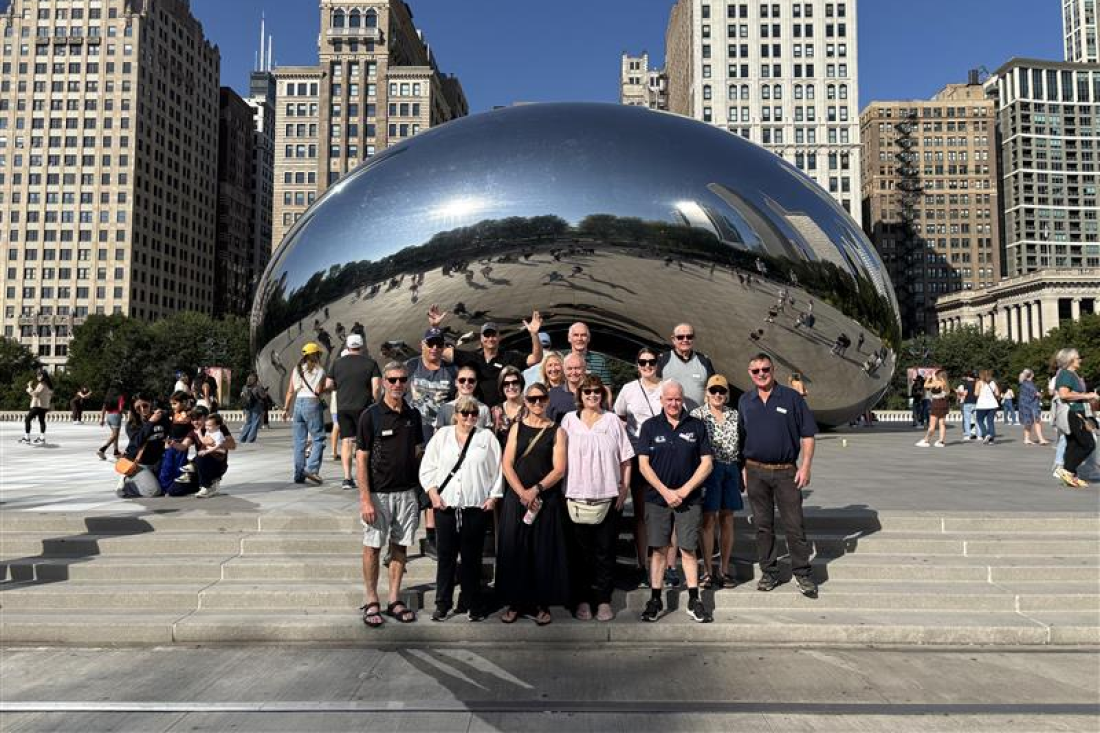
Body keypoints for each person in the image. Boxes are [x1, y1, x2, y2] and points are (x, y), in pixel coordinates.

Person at [738, 352, 818, 598]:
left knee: (795, 525)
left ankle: (802, 573)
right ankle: (769, 572)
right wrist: (742, 469)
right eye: (756, 371)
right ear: (750, 374)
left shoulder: (792, 397)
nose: (761, 374)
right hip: (755, 471)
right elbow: (740, 438)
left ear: (773, 371)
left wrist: (805, 466)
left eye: (765, 369)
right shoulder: (745, 400)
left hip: (786, 472)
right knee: (763, 526)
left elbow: (807, 435)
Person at [637, 379, 714, 624]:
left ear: (683, 400)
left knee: (688, 549)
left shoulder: (697, 426)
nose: (673, 403)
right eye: (669, 399)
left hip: (689, 499)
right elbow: (643, 464)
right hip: (657, 499)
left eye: (677, 399)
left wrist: (684, 490)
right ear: (661, 400)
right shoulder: (650, 426)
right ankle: (656, 598)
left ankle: (694, 599)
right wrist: (665, 491)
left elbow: (707, 463)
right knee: (659, 550)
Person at [420, 395, 503, 622]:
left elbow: (498, 469)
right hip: (446, 506)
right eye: (464, 413)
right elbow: (428, 467)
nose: (469, 417)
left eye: (473, 413)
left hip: (474, 506)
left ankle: (472, 602)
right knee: (446, 557)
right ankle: (442, 603)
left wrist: (493, 497)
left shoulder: (486, 437)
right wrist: (433, 493)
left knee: (471, 558)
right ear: (455, 415)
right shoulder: (442, 436)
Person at [355, 361, 425, 627]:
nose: (398, 385)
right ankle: (372, 598)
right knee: (373, 547)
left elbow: (419, 453)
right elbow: (361, 459)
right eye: (393, 380)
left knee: (400, 546)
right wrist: (365, 498)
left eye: (402, 380)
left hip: (406, 493)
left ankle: (394, 598)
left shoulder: (413, 415)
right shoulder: (370, 416)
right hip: (378, 494)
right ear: (383, 382)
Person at [561, 374, 634, 622]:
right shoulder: (569, 421)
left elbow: (626, 459)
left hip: (607, 496)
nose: (592, 395)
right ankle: (582, 599)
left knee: (605, 552)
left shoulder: (612, 420)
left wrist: (624, 488)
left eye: (596, 391)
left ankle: (603, 600)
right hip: (576, 496)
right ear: (579, 395)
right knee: (580, 554)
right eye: (587, 391)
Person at [497, 382, 570, 625]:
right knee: (515, 550)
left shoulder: (557, 430)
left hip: (544, 499)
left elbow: (559, 469)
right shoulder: (517, 428)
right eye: (532, 399)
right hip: (517, 499)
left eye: (541, 399)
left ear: (548, 400)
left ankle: (541, 603)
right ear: (525, 402)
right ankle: (515, 603)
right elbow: (506, 464)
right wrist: (522, 492)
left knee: (541, 552)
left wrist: (536, 490)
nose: (537, 403)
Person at [613, 347, 666, 583]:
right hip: (637, 454)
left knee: (666, 511)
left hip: (664, 455)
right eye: (643, 362)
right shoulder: (629, 389)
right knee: (641, 511)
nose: (647, 366)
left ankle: (668, 565)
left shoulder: (667, 386)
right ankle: (642, 563)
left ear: (657, 363)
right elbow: (619, 416)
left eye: (651, 362)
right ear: (637, 365)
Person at [431, 306, 544, 407]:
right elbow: (441, 351)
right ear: (481, 338)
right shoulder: (472, 358)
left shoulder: (509, 358)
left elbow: (536, 358)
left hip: (502, 412)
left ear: (499, 337)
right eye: (487, 335)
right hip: (476, 411)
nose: (490, 339)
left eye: (493, 335)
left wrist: (534, 335)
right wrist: (435, 328)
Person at [690, 374, 742, 590]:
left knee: (727, 517)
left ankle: (725, 568)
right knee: (708, 518)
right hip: (709, 468)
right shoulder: (698, 415)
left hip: (731, 467)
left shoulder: (734, 415)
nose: (718, 395)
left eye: (722, 391)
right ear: (707, 394)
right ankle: (708, 570)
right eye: (714, 391)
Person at [328, 334, 382, 490]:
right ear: (362, 346)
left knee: (346, 441)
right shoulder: (371, 363)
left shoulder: (337, 363)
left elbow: (329, 384)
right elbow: (377, 387)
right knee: (365, 441)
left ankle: (347, 478)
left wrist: (341, 387)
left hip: (343, 407)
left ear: (347, 346)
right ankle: (365, 475)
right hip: (363, 407)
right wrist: (376, 401)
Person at [1052, 348, 1099, 489]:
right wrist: (1087, 396)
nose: (1080, 360)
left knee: (1074, 443)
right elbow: (1064, 394)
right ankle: (1067, 470)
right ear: (1070, 360)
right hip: (1073, 413)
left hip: (1078, 411)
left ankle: (1070, 474)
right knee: (1088, 443)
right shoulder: (1066, 374)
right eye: (1078, 358)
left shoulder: (1072, 374)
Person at [284, 342, 329, 485]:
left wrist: (285, 409)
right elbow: (318, 391)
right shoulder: (320, 371)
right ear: (316, 354)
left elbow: (290, 391)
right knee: (318, 438)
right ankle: (311, 468)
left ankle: (299, 475)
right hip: (312, 403)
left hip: (298, 403)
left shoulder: (296, 369)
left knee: (299, 442)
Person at [115, 397, 169, 498]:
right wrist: (151, 422)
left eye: (144, 405)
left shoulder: (162, 419)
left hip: (157, 462)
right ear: (135, 410)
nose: (142, 409)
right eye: (138, 408)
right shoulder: (132, 425)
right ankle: (128, 485)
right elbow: (138, 442)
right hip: (138, 464)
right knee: (154, 491)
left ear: (150, 404)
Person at [656, 322, 715, 410]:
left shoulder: (704, 361)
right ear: (673, 339)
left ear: (693, 339)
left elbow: (713, 390)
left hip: (697, 419)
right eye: (680, 337)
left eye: (689, 337)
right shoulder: (663, 360)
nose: (685, 340)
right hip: (670, 417)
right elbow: (653, 388)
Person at [435, 365, 492, 431]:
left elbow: (488, 436)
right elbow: (437, 436)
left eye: (471, 380)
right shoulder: (445, 408)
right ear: (456, 382)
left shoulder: (484, 409)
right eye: (462, 380)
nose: (466, 383)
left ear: (476, 383)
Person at [566, 321, 613, 386]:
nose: (580, 338)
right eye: (576, 335)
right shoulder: (563, 361)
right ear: (569, 338)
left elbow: (607, 390)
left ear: (588, 339)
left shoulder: (600, 362)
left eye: (583, 335)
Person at [548, 352, 588, 424]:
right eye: (569, 369)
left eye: (577, 368)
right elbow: (547, 422)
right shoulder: (552, 394)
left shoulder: (594, 393)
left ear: (584, 369)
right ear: (564, 370)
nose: (573, 372)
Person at [491, 366, 526, 445]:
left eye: (515, 382)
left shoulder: (530, 408)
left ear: (521, 384)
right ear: (501, 387)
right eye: (506, 384)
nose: (511, 386)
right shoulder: (496, 410)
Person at [916, 370, 950, 448]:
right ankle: (941, 441)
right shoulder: (946, 384)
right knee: (942, 424)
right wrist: (934, 377)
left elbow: (925, 386)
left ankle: (926, 440)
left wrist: (928, 378)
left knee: (932, 425)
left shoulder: (936, 383)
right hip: (944, 404)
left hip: (936, 404)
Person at [19, 370, 54, 445]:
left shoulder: (42, 384)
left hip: (38, 405)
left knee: (27, 419)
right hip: (44, 406)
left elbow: (35, 394)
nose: (38, 376)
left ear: (43, 376)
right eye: (37, 375)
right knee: (42, 421)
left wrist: (29, 387)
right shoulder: (49, 385)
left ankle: (27, 438)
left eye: (39, 375)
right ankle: (42, 438)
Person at [1018, 369, 1050, 446]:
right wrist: (1042, 394)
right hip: (1032, 405)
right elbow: (1036, 394)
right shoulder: (1029, 384)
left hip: (1024, 405)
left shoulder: (1023, 383)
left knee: (1028, 422)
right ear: (1032, 375)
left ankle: (1026, 438)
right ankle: (1041, 439)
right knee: (1037, 422)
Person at [97, 382, 127, 460]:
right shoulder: (120, 397)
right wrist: (125, 412)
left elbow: (103, 408)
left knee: (115, 435)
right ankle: (102, 449)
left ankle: (116, 451)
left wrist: (102, 419)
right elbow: (120, 409)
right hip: (116, 416)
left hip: (109, 416)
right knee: (115, 435)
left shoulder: (107, 397)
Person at [974, 369, 1002, 445]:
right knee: (990, 421)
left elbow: (976, 394)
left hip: (982, 405)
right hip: (993, 405)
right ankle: (991, 438)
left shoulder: (979, 383)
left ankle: (986, 434)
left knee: (979, 420)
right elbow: (997, 393)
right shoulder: (993, 383)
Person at [238, 373, 267, 444]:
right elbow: (263, 396)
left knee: (248, 422)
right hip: (256, 407)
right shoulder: (258, 387)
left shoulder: (244, 387)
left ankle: (242, 438)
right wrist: (265, 392)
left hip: (247, 407)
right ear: (256, 379)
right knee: (255, 423)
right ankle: (250, 439)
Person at [956, 371, 980, 440]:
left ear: (969, 376)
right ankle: (979, 435)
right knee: (977, 420)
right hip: (976, 402)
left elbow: (965, 393)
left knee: (967, 420)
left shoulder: (966, 383)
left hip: (968, 403)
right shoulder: (977, 383)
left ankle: (967, 435)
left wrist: (959, 393)